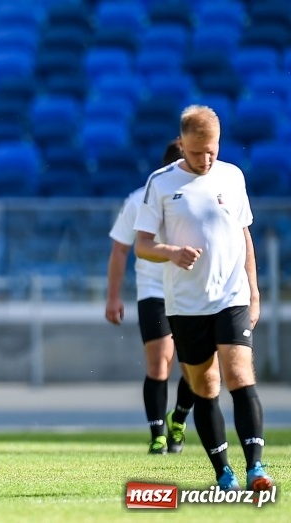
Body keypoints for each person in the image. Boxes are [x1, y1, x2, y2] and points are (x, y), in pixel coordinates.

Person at [134, 105, 273, 491]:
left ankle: (256, 468)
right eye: (196, 152)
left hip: (232, 296)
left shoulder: (232, 176)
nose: (205, 159)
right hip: (186, 304)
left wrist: (254, 293)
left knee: (240, 375)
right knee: (205, 386)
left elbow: (244, 236)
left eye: (211, 150)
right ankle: (223, 473)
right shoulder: (160, 183)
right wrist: (172, 253)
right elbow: (142, 245)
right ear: (182, 144)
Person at [106, 140, 195, 455]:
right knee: (159, 364)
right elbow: (120, 247)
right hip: (154, 292)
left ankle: (179, 419)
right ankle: (157, 433)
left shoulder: (200, 199)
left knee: (195, 368)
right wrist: (113, 297)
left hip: (190, 292)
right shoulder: (138, 200)